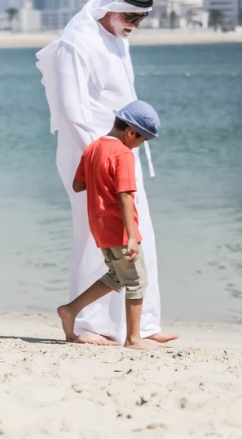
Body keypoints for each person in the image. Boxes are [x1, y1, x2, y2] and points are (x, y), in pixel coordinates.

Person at [35, 0, 176, 345]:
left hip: (122, 153)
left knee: (138, 232)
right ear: (110, 7)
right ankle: (87, 325)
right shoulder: (75, 43)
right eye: (130, 15)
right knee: (95, 238)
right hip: (90, 157)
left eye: (141, 18)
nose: (135, 24)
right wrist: (100, 158)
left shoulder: (117, 39)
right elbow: (70, 112)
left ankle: (141, 325)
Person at [57, 100, 161, 351]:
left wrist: (100, 178)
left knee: (116, 277)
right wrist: (133, 237)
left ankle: (70, 310)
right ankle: (133, 338)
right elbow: (125, 195)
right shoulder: (123, 154)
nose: (140, 145)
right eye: (143, 140)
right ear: (131, 132)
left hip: (100, 227)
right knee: (136, 281)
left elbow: (78, 185)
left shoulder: (93, 148)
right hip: (119, 229)